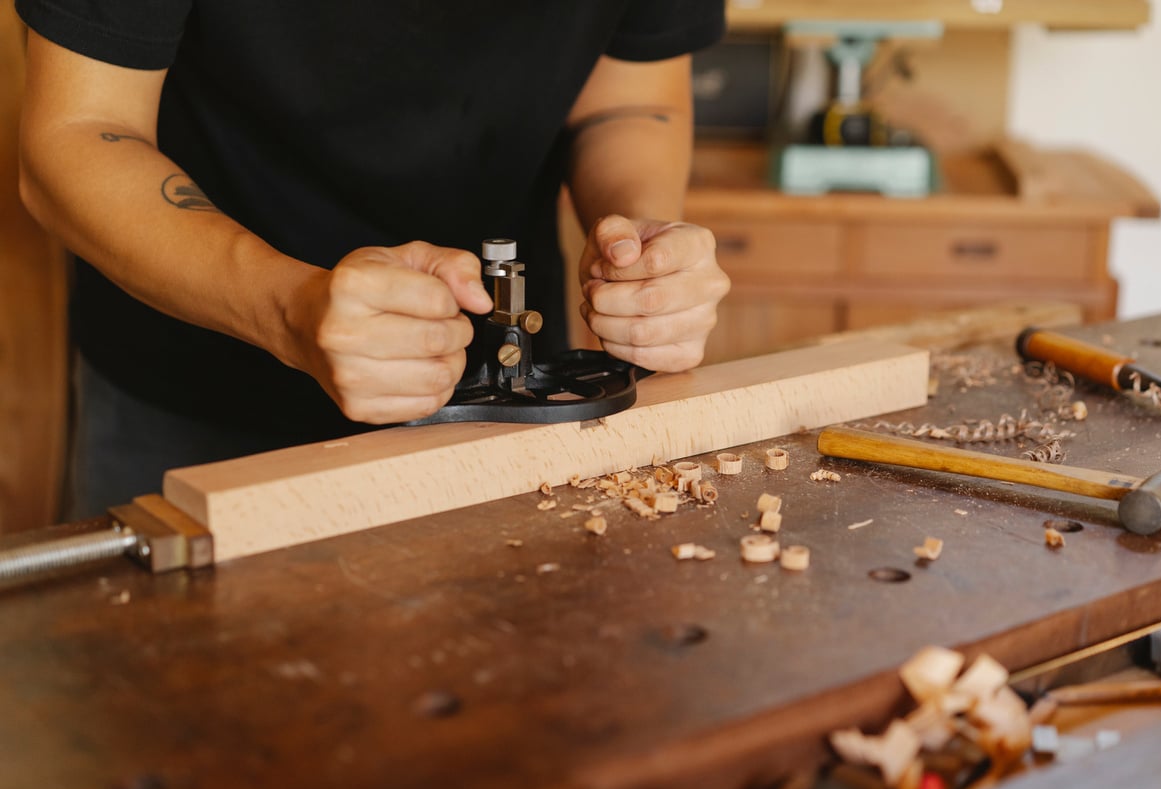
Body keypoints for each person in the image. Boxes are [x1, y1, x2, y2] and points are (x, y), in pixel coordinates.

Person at [16, 2, 732, 519]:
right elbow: (81, 130)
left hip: (505, 398)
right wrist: (289, 307)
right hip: (195, 393)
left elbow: (632, 99)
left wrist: (640, 249)